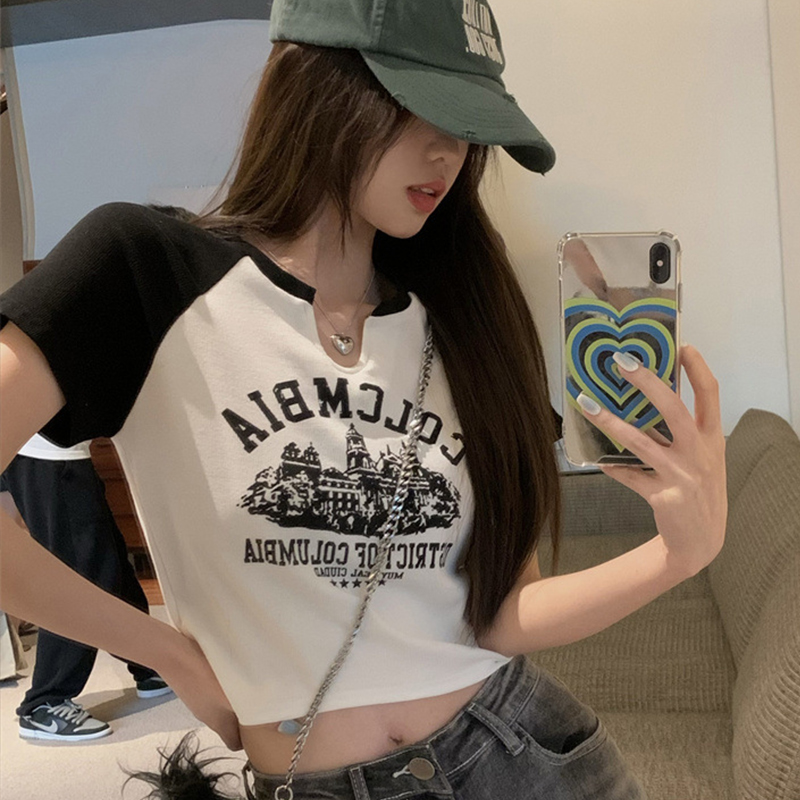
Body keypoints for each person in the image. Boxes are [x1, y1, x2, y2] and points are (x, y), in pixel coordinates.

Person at [0, 1, 727, 798]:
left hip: (527, 758)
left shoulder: (471, 316)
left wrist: (677, 555)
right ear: (315, 81)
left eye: (467, 124)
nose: (449, 150)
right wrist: (163, 650)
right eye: (416, 103)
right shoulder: (148, 271)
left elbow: (503, 617)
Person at [0, 433, 172, 742]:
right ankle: (44, 702)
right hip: (48, 451)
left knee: (111, 563)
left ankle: (147, 662)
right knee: (78, 577)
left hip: (61, 448)